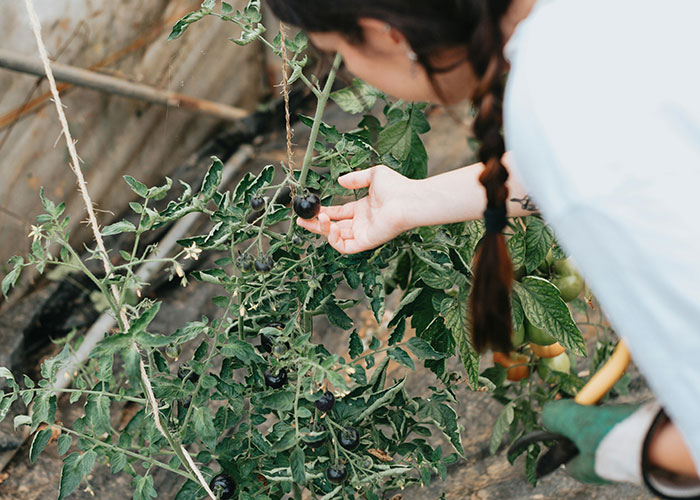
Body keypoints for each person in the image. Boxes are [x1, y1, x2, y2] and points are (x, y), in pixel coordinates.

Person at [265, 0, 700, 497]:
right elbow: (613, 154)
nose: (342, 72)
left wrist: (631, 447)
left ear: (386, 34)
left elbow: (590, 163)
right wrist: (412, 202)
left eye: (337, 54)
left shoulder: (567, 125)